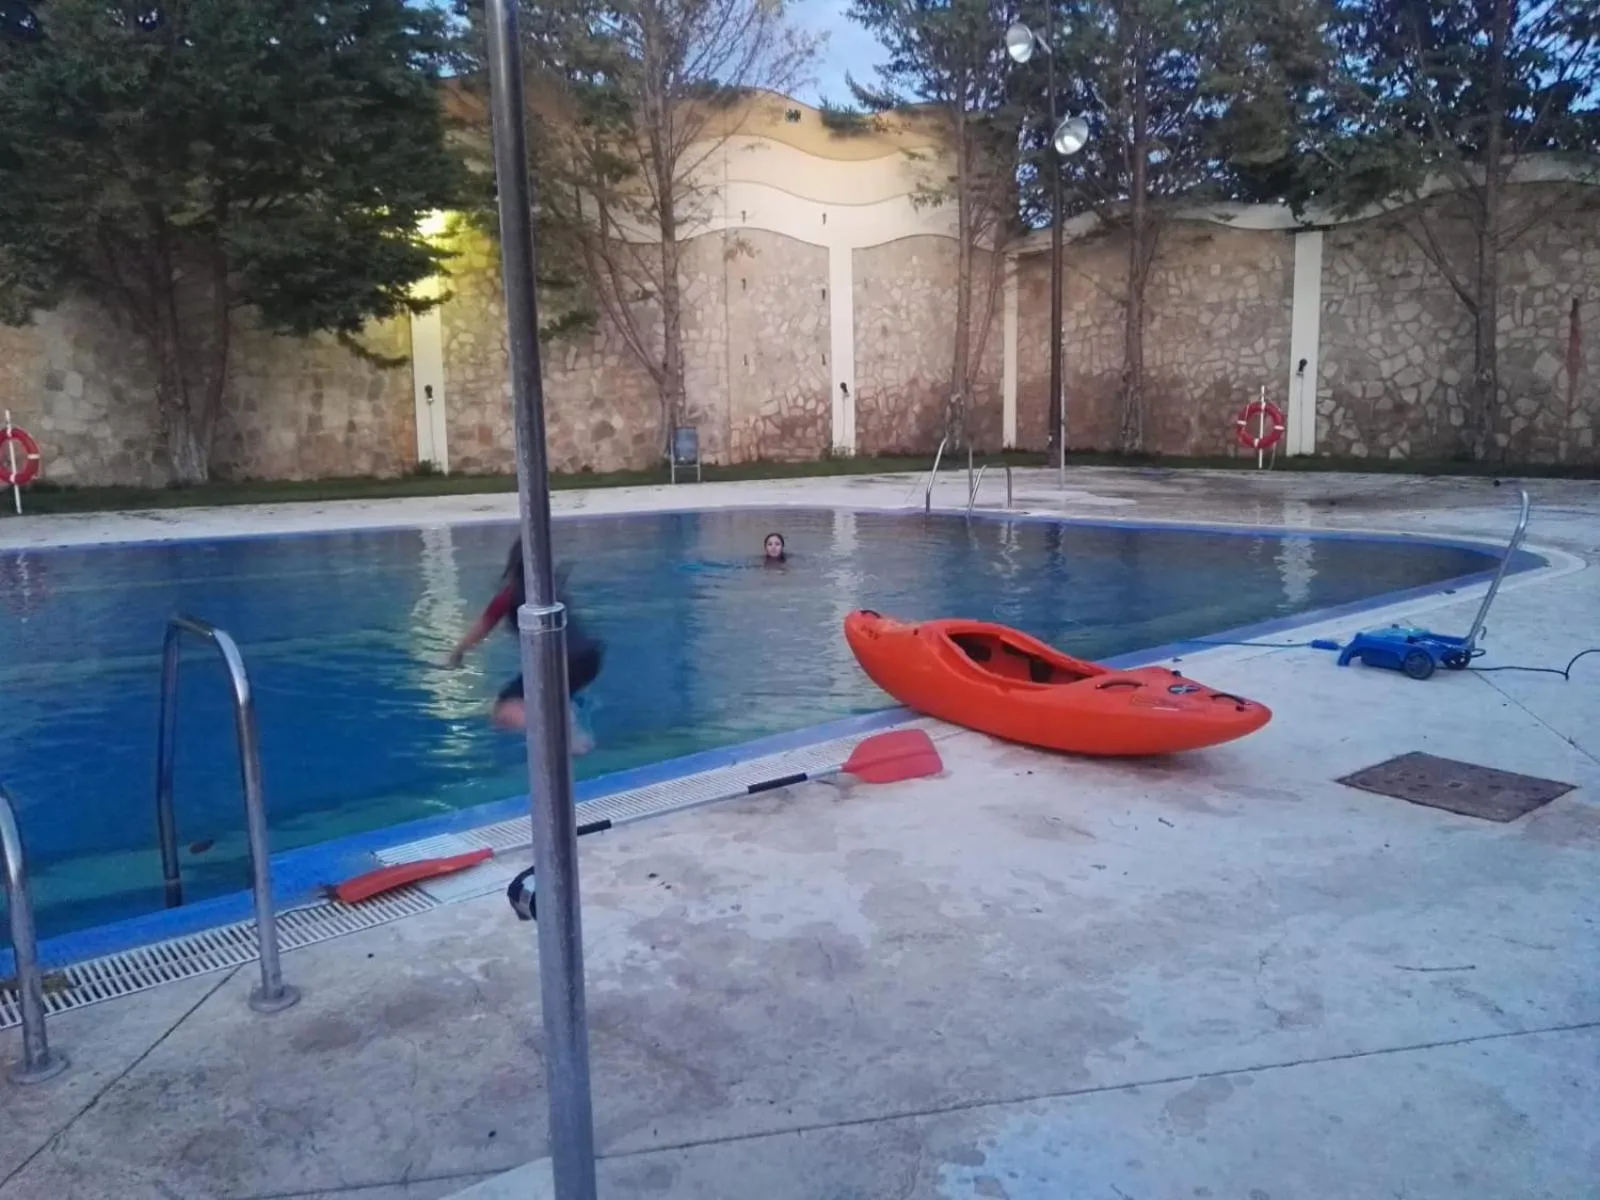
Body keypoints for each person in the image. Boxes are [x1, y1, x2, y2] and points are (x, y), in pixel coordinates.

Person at [445, 539, 604, 750]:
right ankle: (574, 735)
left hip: (561, 660)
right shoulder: (552, 592)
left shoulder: (509, 595)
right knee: (548, 697)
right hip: (589, 656)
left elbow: (482, 628)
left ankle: (567, 738)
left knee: (504, 709)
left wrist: (456, 654)